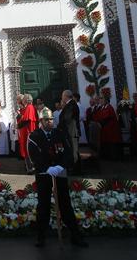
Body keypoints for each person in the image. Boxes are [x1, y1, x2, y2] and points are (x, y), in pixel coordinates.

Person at [27, 108, 87, 248]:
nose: (50, 122)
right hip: (44, 173)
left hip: (59, 172)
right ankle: (41, 236)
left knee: (65, 203)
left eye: (52, 119)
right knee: (43, 205)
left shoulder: (60, 133)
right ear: (41, 121)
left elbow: (67, 151)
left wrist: (61, 166)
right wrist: (47, 168)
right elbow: (34, 155)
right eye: (47, 120)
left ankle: (75, 235)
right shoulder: (34, 136)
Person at [57, 90, 81, 172]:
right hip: (68, 132)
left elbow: (67, 118)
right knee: (70, 151)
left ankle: (76, 170)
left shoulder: (71, 105)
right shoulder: (69, 104)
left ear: (66, 96)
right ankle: (71, 167)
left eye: (62, 96)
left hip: (71, 132)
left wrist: (59, 126)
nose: (62, 97)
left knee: (74, 152)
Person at [17, 94, 37, 172]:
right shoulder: (29, 107)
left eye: (23, 99)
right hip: (27, 131)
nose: (22, 100)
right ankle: (29, 167)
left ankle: (31, 167)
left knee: (28, 150)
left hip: (29, 132)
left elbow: (26, 119)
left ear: (26, 100)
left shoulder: (29, 107)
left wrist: (19, 125)